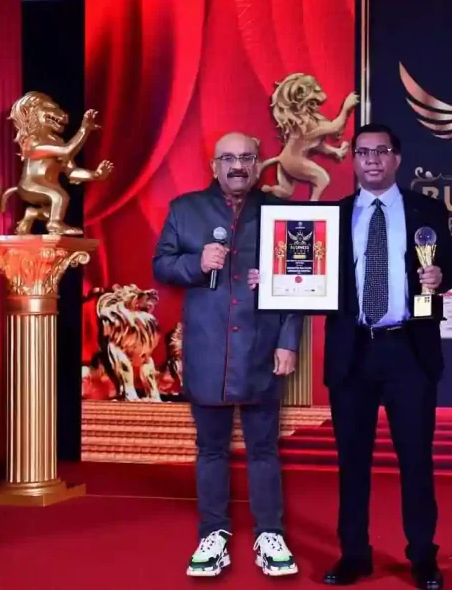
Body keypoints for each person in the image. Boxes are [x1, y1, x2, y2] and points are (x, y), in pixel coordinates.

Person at [152, 132, 302, 579]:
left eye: (246, 158)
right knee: (211, 449)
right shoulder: (185, 209)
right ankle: (213, 535)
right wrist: (196, 264)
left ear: (258, 164)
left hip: (261, 347)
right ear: (214, 165)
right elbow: (162, 265)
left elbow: (299, 282)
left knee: (263, 449)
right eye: (228, 158)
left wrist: (288, 340)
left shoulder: (280, 213)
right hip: (207, 348)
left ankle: (270, 534)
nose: (238, 166)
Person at [322, 123, 452, 589]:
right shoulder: (335, 216)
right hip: (353, 352)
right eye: (363, 152)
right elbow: (309, 274)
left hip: (409, 350)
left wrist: (440, 277)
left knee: (416, 459)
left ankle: (423, 556)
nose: (372, 160)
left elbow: (451, 268)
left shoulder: (427, 210)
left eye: (381, 151)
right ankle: (354, 554)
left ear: (397, 158)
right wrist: (276, 281)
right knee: (352, 461)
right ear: (353, 160)